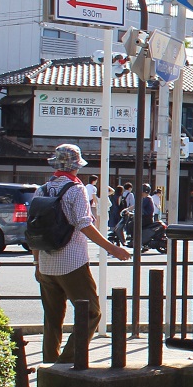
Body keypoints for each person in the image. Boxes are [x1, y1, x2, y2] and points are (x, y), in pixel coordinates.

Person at [34, 144, 130, 363]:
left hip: (46, 263)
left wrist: (36, 262)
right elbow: (84, 224)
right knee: (91, 313)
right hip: (72, 262)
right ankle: (67, 360)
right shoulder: (76, 190)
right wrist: (112, 248)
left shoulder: (42, 190)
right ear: (76, 166)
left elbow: (34, 229)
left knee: (52, 318)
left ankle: (49, 363)